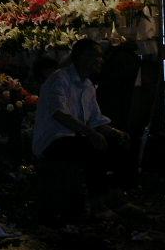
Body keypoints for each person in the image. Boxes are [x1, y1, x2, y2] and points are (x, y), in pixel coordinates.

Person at [32, 38, 131, 215]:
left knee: (119, 143)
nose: (101, 61)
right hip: (53, 140)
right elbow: (59, 113)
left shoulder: (88, 86)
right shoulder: (59, 79)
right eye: (96, 56)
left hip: (77, 137)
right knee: (91, 147)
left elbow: (96, 119)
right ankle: (97, 202)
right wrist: (91, 134)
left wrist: (115, 133)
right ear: (82, 57)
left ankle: (116, 196)